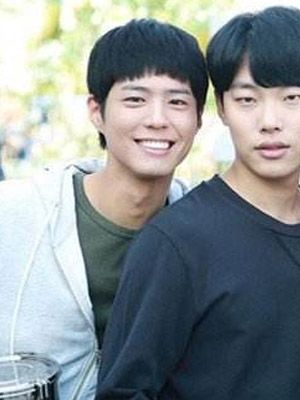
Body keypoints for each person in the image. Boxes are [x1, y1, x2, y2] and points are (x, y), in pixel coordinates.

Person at [96, 6, 300, 399]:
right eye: (247, 99)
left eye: (292, 97)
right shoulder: (176, 243)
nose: (270, 121)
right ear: (222, 107)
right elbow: (123, 391)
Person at [0, 18, 208, 399]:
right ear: (96, 111)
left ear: (199, 119)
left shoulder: (207, 231)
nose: (157, 119)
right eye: (135, 99)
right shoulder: (15, 214)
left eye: (177, 101)